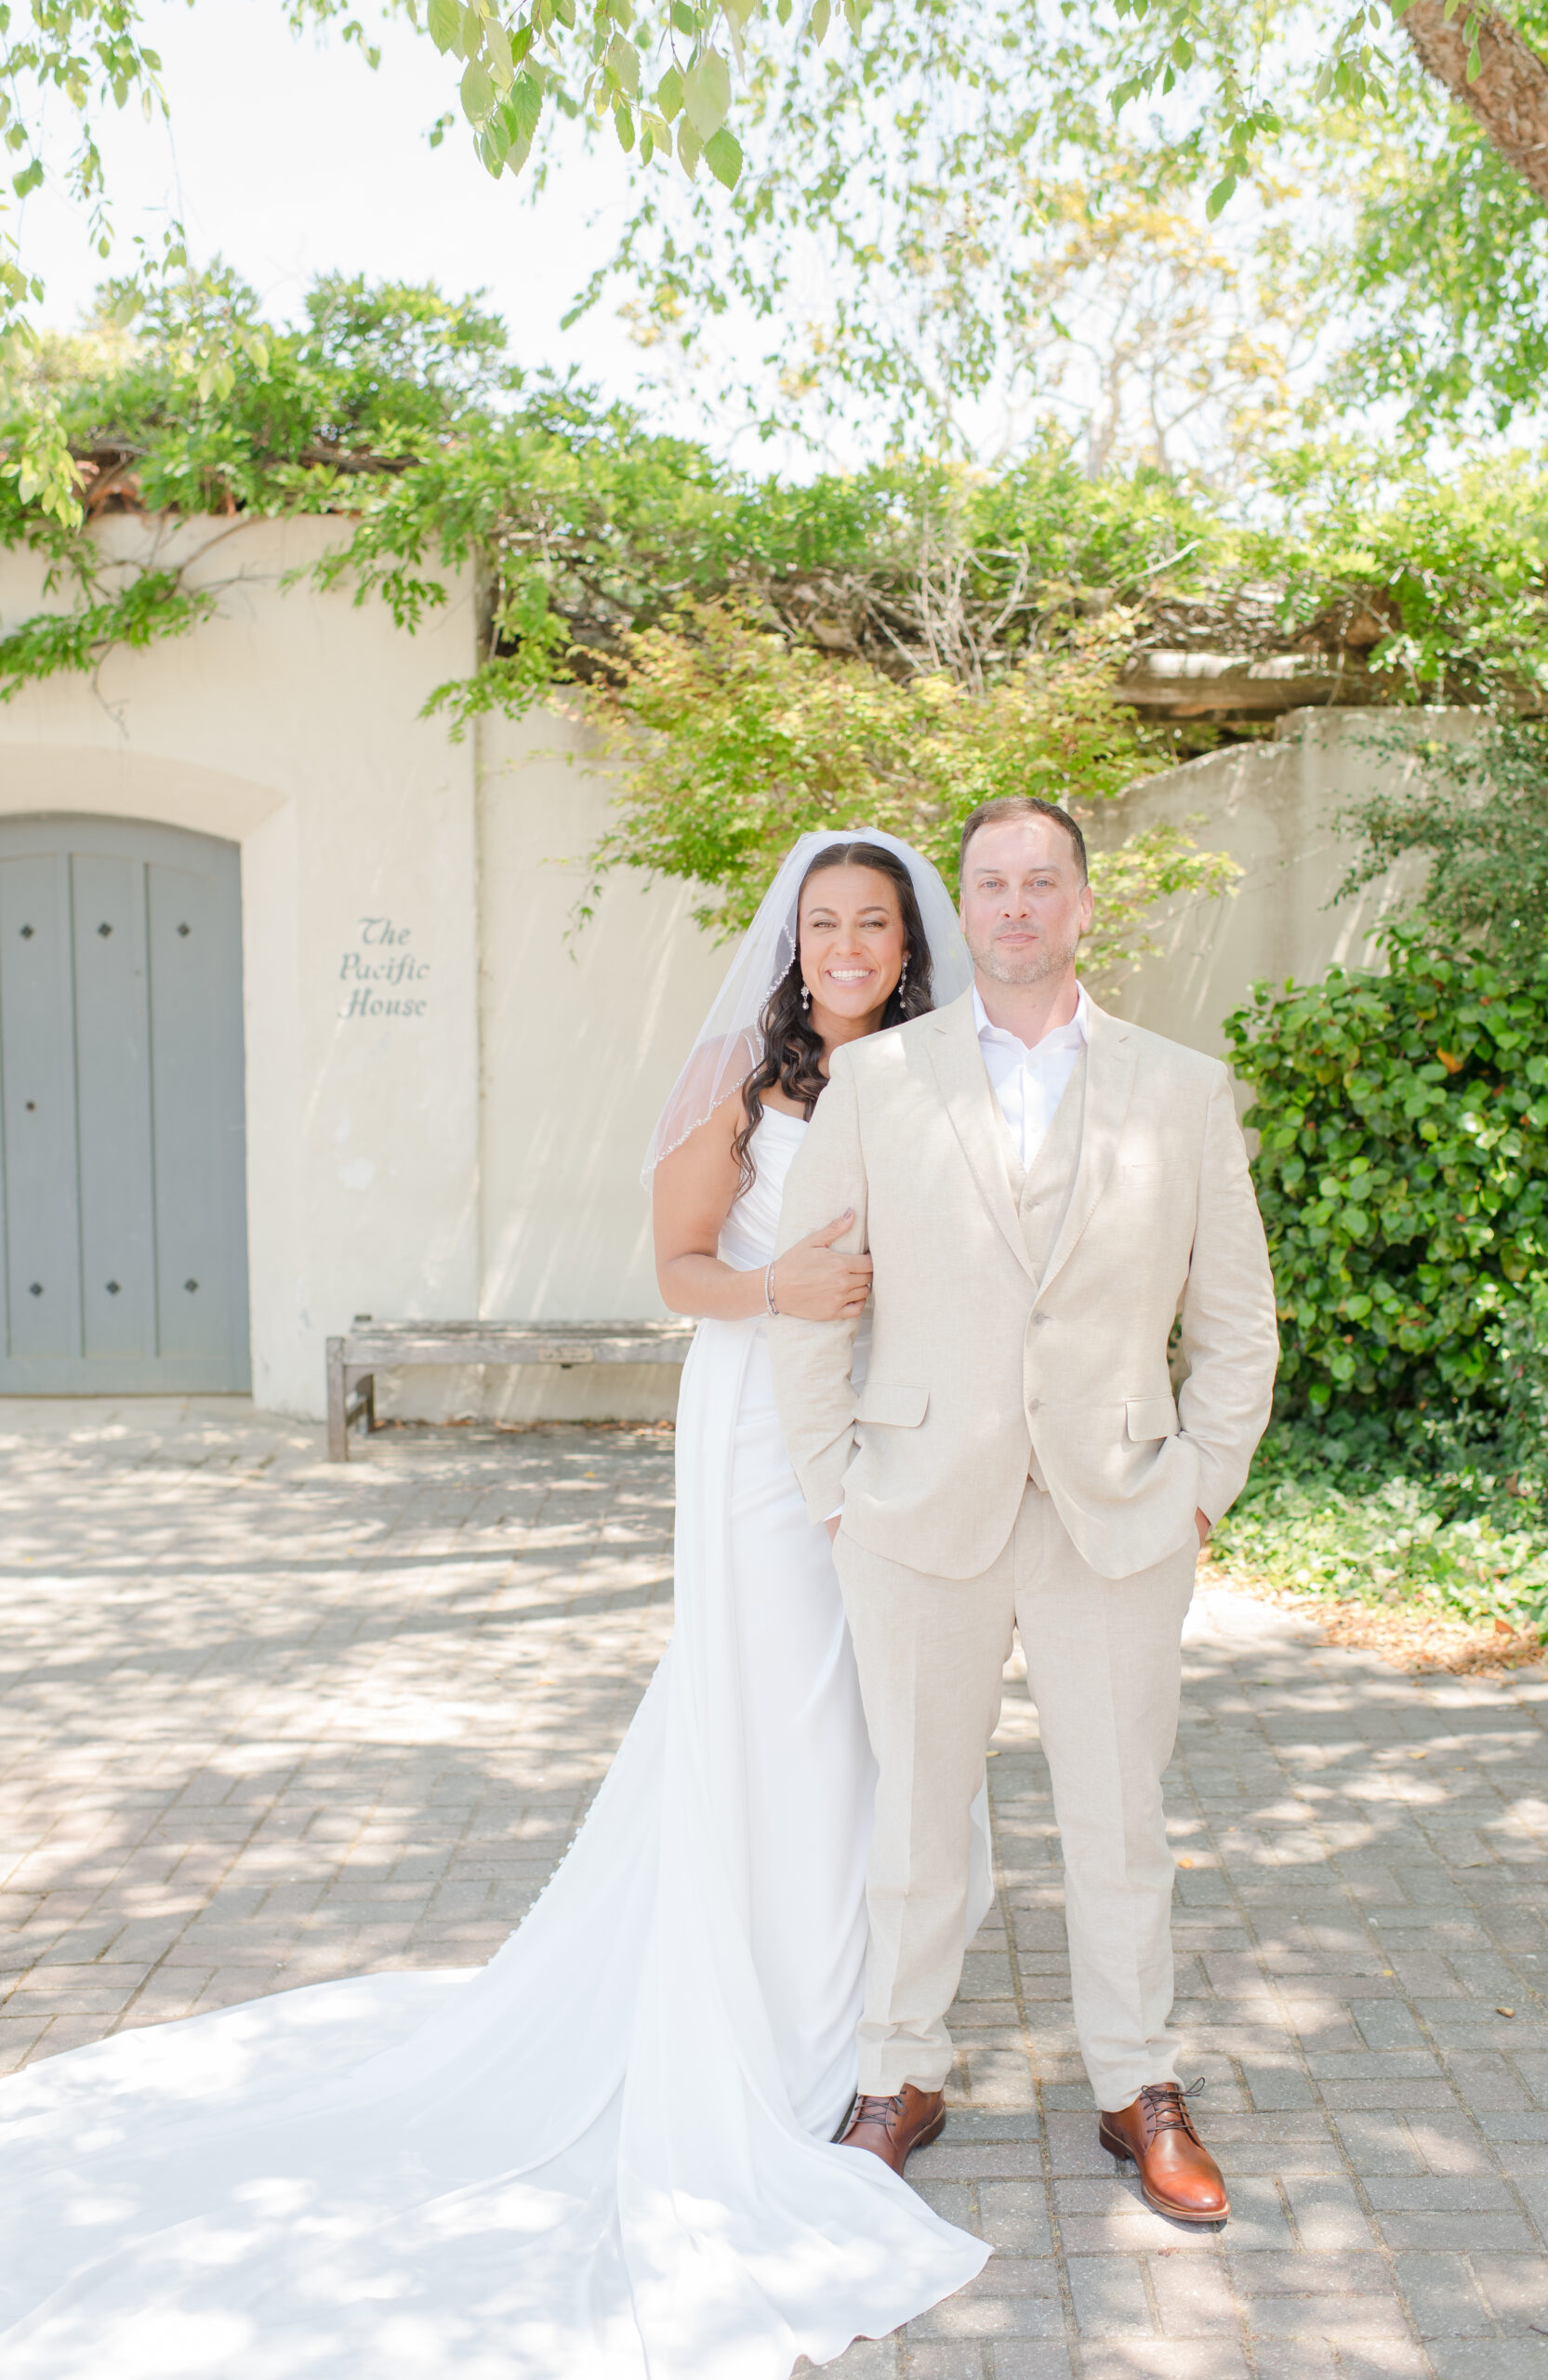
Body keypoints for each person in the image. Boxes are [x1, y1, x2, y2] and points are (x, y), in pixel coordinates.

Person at [0, 829, 990, 2379]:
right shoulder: (742, 1068)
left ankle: (884, 2038)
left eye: (874, 922)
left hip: (902, 1427)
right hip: (754, 1427)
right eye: (824, 923)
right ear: (792, 941)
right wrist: (778, 1292)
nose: (850, 944)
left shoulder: (945, 1071)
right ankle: (777, 2050)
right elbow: (676, 1269)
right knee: (779, 1719)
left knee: (889, 1732)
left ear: (908, 941)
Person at [770, 794, 1279, 2221]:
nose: (1011, 906)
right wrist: (832, 1492)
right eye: (988, 884)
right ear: (966, 910)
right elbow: (812, 1307)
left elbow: (1237, 1322)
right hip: (916, 1505)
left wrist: (1202, 1486)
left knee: (1117, 1818)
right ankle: (898, 2073)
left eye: (1037, 882)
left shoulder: (1179, 1088)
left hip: (1117, 1511)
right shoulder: (879, 1084)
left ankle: (1136, 2087)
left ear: (1079, 905)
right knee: (917, 1816)